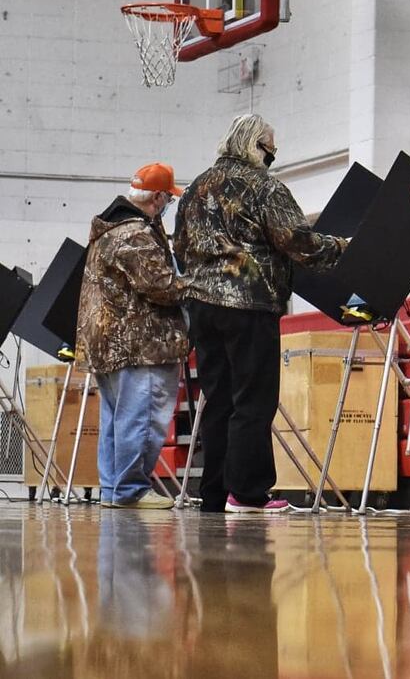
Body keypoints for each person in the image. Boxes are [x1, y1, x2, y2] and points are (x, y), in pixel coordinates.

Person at [174, 115, 347, 514]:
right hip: (249, 304)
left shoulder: (195, 189)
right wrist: (341, 246)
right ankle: (249, 494)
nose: (273, 157)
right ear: (257, 147)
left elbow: (180, 246)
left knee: (216, 401)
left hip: (202, 306)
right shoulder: (264, 186)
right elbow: (296, 241)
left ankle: (214, 494)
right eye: (271, 150)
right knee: (253, 399)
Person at [75, 162, 189, 510]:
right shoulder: (134, 233)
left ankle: (114, 490)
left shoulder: (108, 229)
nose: (168, 204)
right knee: (142, 420)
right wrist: (200, 280)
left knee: (115, 420)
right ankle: (131, 491)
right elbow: (162, 287)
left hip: (109, 343)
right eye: (168, 198)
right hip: (141, 344)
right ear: (157, 197)